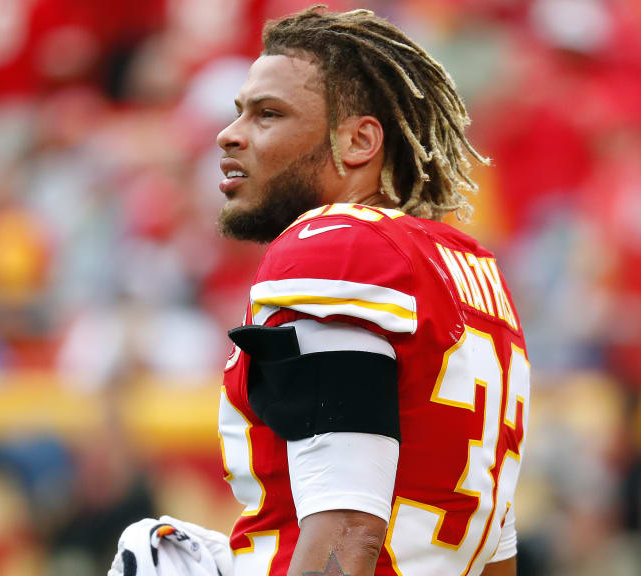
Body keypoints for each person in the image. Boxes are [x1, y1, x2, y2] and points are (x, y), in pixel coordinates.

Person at [213, 7, 530, 576]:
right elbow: (497, 554)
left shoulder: (336, 245)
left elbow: (347, 526)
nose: (229, 134)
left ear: (358, 141)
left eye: (269, 114)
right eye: (240, 112)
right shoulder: (473, 269)